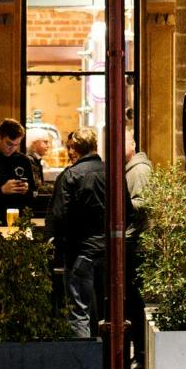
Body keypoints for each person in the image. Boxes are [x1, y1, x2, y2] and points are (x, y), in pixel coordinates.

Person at [47, 126, 108, 339]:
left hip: (80, 252)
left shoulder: (71, 175)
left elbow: (60, 216)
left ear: (75, 149)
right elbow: (126, 211)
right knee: (107, 311)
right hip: (109, 251)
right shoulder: (112, 172)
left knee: (78, 310)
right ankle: (108, 362)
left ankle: (84, 366)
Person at [123, 136, 153, 369]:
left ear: (132, 145)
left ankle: (141, 354)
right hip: (132, 241)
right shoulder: (130, 169)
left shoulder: (139, 170)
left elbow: (143, 205)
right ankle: (138, 353)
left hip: (136, 244)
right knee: (131, 300)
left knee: (134, 300)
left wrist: (120, 203)